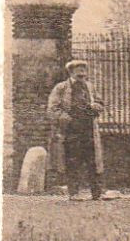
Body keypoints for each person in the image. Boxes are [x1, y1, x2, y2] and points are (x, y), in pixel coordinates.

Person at [47, 60, 112, 200]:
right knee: (73, 161)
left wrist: (96, 106)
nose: (82, 74)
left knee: (93, 161)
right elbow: (52, 108)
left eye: (84, 70)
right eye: (79, 71)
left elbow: (100, 103)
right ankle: (74, 193)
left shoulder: (90, 87)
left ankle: (97, 193)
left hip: (89, 129)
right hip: (71, 131)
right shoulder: (61, 88)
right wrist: (67, 119)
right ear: (71, 72)